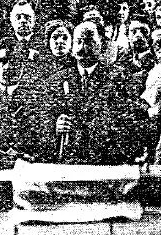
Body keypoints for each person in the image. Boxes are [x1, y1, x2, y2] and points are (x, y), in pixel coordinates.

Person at [34, 21, 135, 164]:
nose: (82, 48)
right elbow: (42, 119)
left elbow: (126, 123)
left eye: (89, 41)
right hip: (68, 163)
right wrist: (54, 126)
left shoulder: (118, 79)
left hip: (106, 163)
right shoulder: (56, 80)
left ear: (102, 45)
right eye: (78, 41)